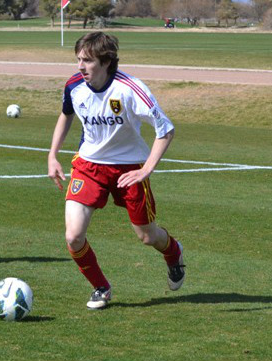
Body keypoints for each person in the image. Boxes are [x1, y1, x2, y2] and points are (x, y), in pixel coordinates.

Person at [47, 32, 185, 310]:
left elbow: (165, 130)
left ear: (107, 61)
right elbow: (66, 114)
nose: (80, 66)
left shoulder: (130, 89)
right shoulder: (74, 85)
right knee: (73, 236)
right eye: (78, 59)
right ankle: (100, 287)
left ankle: (173, 252)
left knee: (147, 236)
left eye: (87, 61)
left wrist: (146, 169)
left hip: (129, 168)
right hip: (89, 166)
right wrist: (52, 155)